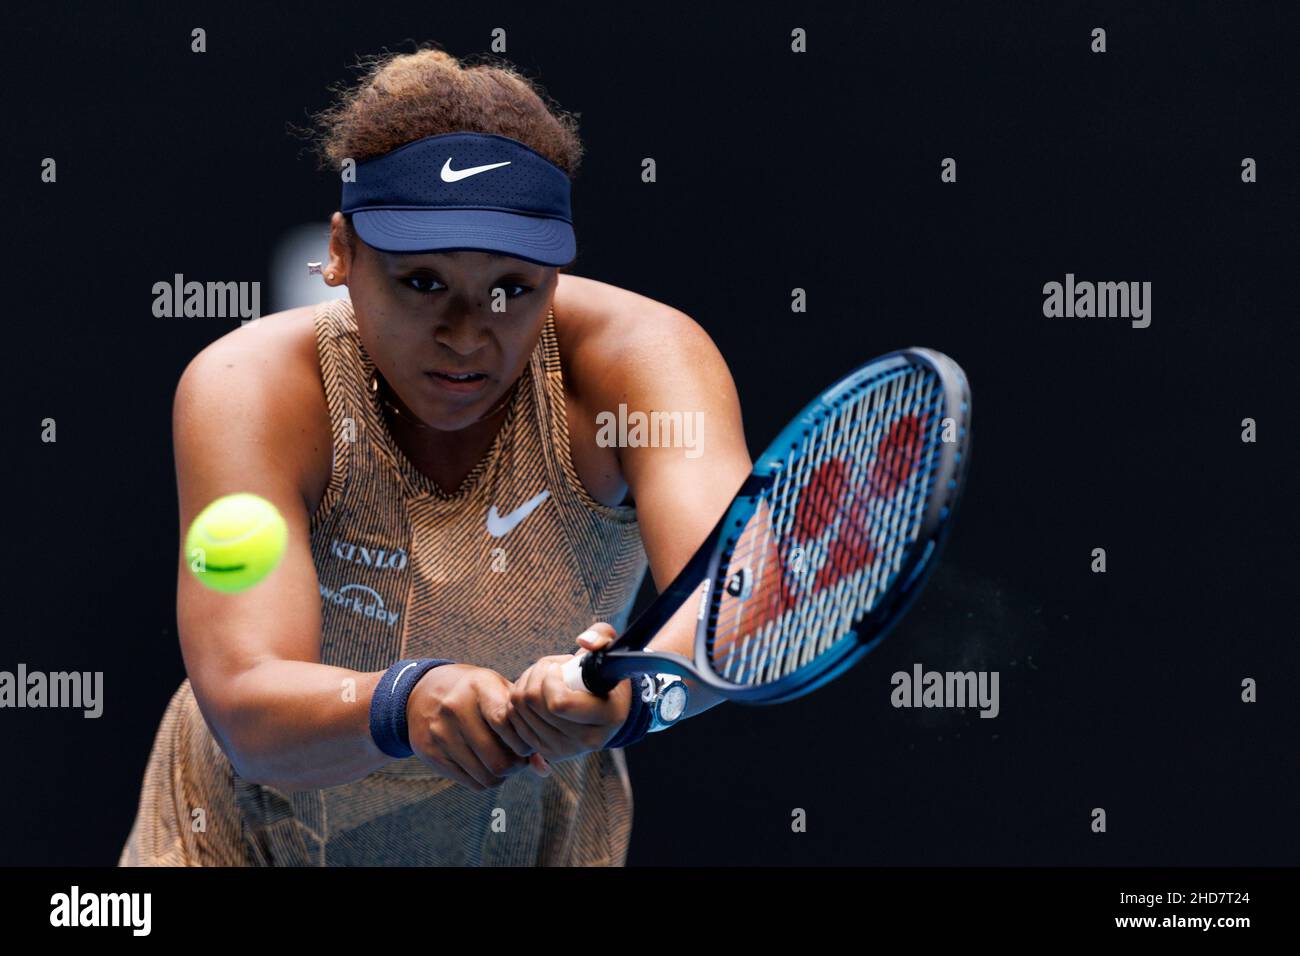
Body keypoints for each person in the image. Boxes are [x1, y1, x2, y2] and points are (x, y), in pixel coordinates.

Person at [118, 45, 751, 866]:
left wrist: (634, 691)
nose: (466, 333)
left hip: (529, 833)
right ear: (341, 253)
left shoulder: (643, 363)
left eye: (512, 288)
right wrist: (405, 703)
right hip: (239, 838)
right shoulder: (248, 387)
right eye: (421, 281)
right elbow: (247, 710)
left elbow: (734, 605)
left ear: (557, 274)